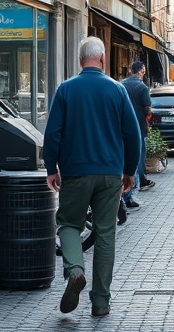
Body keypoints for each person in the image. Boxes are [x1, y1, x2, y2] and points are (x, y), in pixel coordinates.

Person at [43, 36, 139, 318]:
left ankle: (75, 269)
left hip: (75, 172)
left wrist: (51, 168)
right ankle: (101, 302)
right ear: (103, 58)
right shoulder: (117, 90)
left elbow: (53, 133)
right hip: (109, 173)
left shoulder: (66, 89)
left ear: (80, 59)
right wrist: (129, 170)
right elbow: (132, 134)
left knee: (68, 224)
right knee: (106, 232)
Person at [120, 59, 155, 210]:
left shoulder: (121, 85)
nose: (144, 73)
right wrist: (148, 121)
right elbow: (148, 108)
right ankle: (137, 184)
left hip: (122, 126)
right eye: (144, 71)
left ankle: (124, 191)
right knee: (138, 154)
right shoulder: (142, 87)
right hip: (139, 125)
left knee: (124, 155)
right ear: (140, 71)